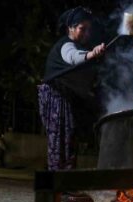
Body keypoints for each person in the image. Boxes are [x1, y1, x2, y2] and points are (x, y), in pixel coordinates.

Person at [37, 6, 105, 171]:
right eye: (82, 29)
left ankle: (64, 183)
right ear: (71, 28)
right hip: (56, 97)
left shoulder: (80, 46)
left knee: (67, 140)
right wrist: (92, 54)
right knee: (60, 141)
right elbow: (73, 58)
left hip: (65, 97)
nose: (86, 33)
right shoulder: (66, 45)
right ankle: (58, 184)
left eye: (88, 30)